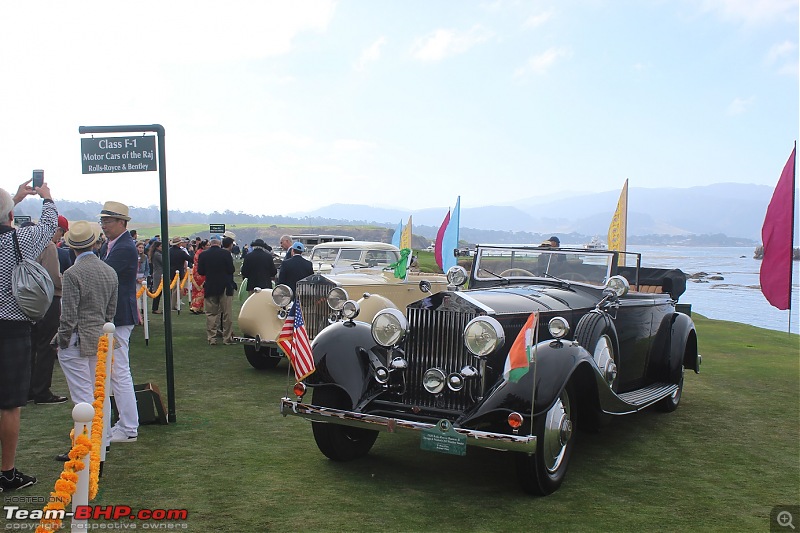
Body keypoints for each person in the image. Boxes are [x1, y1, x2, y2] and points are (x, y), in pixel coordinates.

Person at [0, 179, 58, 492]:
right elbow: (49, 225)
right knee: (9, 404)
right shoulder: (19, 241)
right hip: (11, 326)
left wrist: (15, 198)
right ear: (10, 215)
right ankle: (6, 472)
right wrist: (46, 198)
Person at [55, 221, 118, 461]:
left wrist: (61, 340)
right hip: (101, 338)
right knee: (100, 393)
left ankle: (87, 443)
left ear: (72, 247)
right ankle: (105, 439)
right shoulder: (108, 271)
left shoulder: (72, 273)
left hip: (77, 339)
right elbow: (110, 312)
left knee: (83, 396)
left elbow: (68, 315)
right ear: (94, 242)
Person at [97, 201, 139, 443]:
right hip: (116, 315)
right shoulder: (112, 245)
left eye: (108, 221)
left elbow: (103, 276)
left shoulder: (123, 248)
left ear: (122, 222)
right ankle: (124, 423)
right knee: (116, 371)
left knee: (120, 372)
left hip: (119, 316)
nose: (104, 226)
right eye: (103, 221)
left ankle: (129, 427)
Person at [28, 215, 70, 405]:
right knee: (47, 346)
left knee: (32, 346)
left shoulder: (29, 242)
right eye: (61, 232)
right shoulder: (49, 246)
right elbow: (53, 276)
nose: (60, 237)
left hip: (29, 300)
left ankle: (29, 388)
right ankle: (42, 391)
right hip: (49, 299)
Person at [196, 238, 235, 345]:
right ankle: (227, 338)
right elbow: (231, 270)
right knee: (227, 313)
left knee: (211, 313)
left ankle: (211, 338)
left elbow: (201, 271)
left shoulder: (203, 255)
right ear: (219, 244)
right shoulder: (226, 254)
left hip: (210, 285)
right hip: (225, 286)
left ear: (211, 244)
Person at [168, 237, 192, 311]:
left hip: (171, 272)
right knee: (176, 289)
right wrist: (191, 252)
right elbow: (190, 259)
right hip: (178, 272)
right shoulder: (181, 252)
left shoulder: (169, 251)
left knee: (173, 288)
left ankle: (173, 304)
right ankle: (172, 305)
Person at [190, 239, 208, 314]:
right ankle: (195, 307)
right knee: (200, 290)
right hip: (200, 273)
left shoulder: (199, 252)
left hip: (197, 272)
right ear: (203, 246)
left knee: (198, 290)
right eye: (207, 245)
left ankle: (200, 308)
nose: (209, 246)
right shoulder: (202, 253)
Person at [148, 241, 164, 314]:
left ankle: (155, 308)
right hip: (158, 274)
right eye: (161, 246)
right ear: (157, 247)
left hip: (158, 273)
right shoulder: (157, 254)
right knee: (157, 291)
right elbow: (164, 261)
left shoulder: (156, 253)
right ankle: (155, 308)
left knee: (158, 291)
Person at [135, 241, 149, 319]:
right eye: (139, 247)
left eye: (142, 248)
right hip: (135, 278)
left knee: (144, 297)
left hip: (143, 278)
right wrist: (136, 279)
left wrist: (144, 277)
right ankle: (138, 314)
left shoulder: (145, 257)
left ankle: (144, 314)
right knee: (137, 296)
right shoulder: (133, 256)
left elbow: (147, 269)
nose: (141, 249)